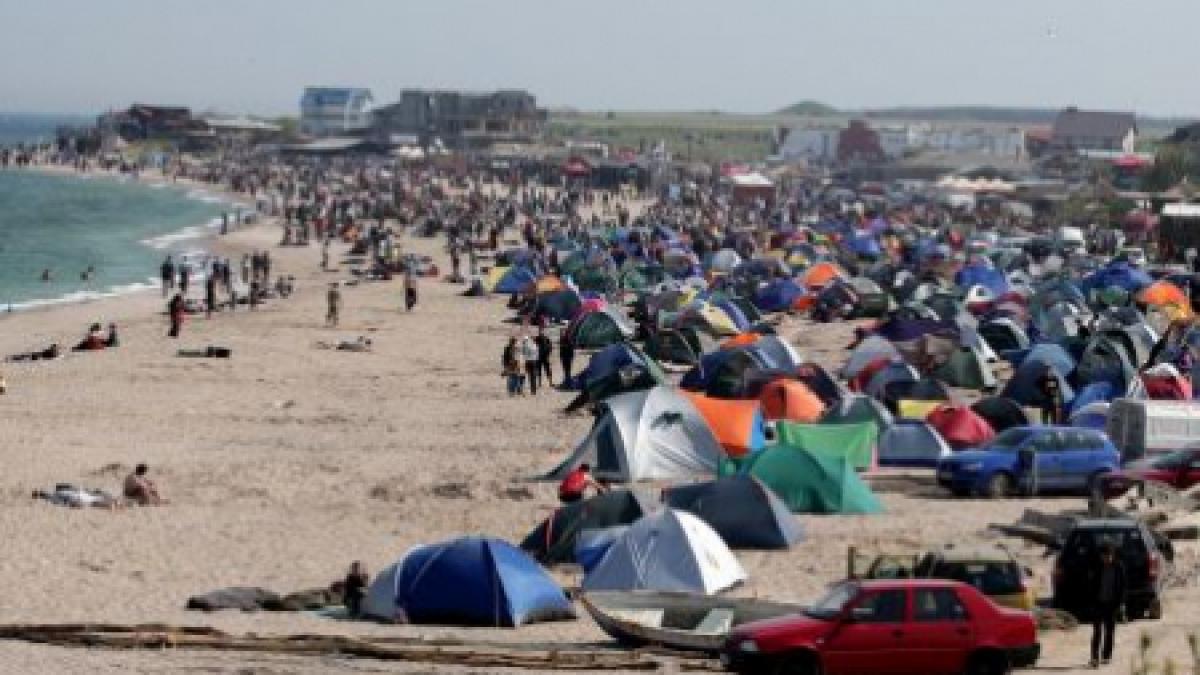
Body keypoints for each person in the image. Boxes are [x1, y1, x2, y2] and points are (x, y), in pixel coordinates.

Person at [1088, 542, 1127, 668]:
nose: (1107, 558)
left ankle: (1106, 656)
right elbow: (1092, 585)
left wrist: (1121, 604)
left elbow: (1122, 587)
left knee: (1109, 631)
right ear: (1101, 556)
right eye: (1104, 556)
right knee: (1097, 632)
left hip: (1112, 604)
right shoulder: (1097, 567)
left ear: (1113, 555)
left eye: (1109, 556)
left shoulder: (1119, 567)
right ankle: (1094, 657)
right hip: (1098, 603)